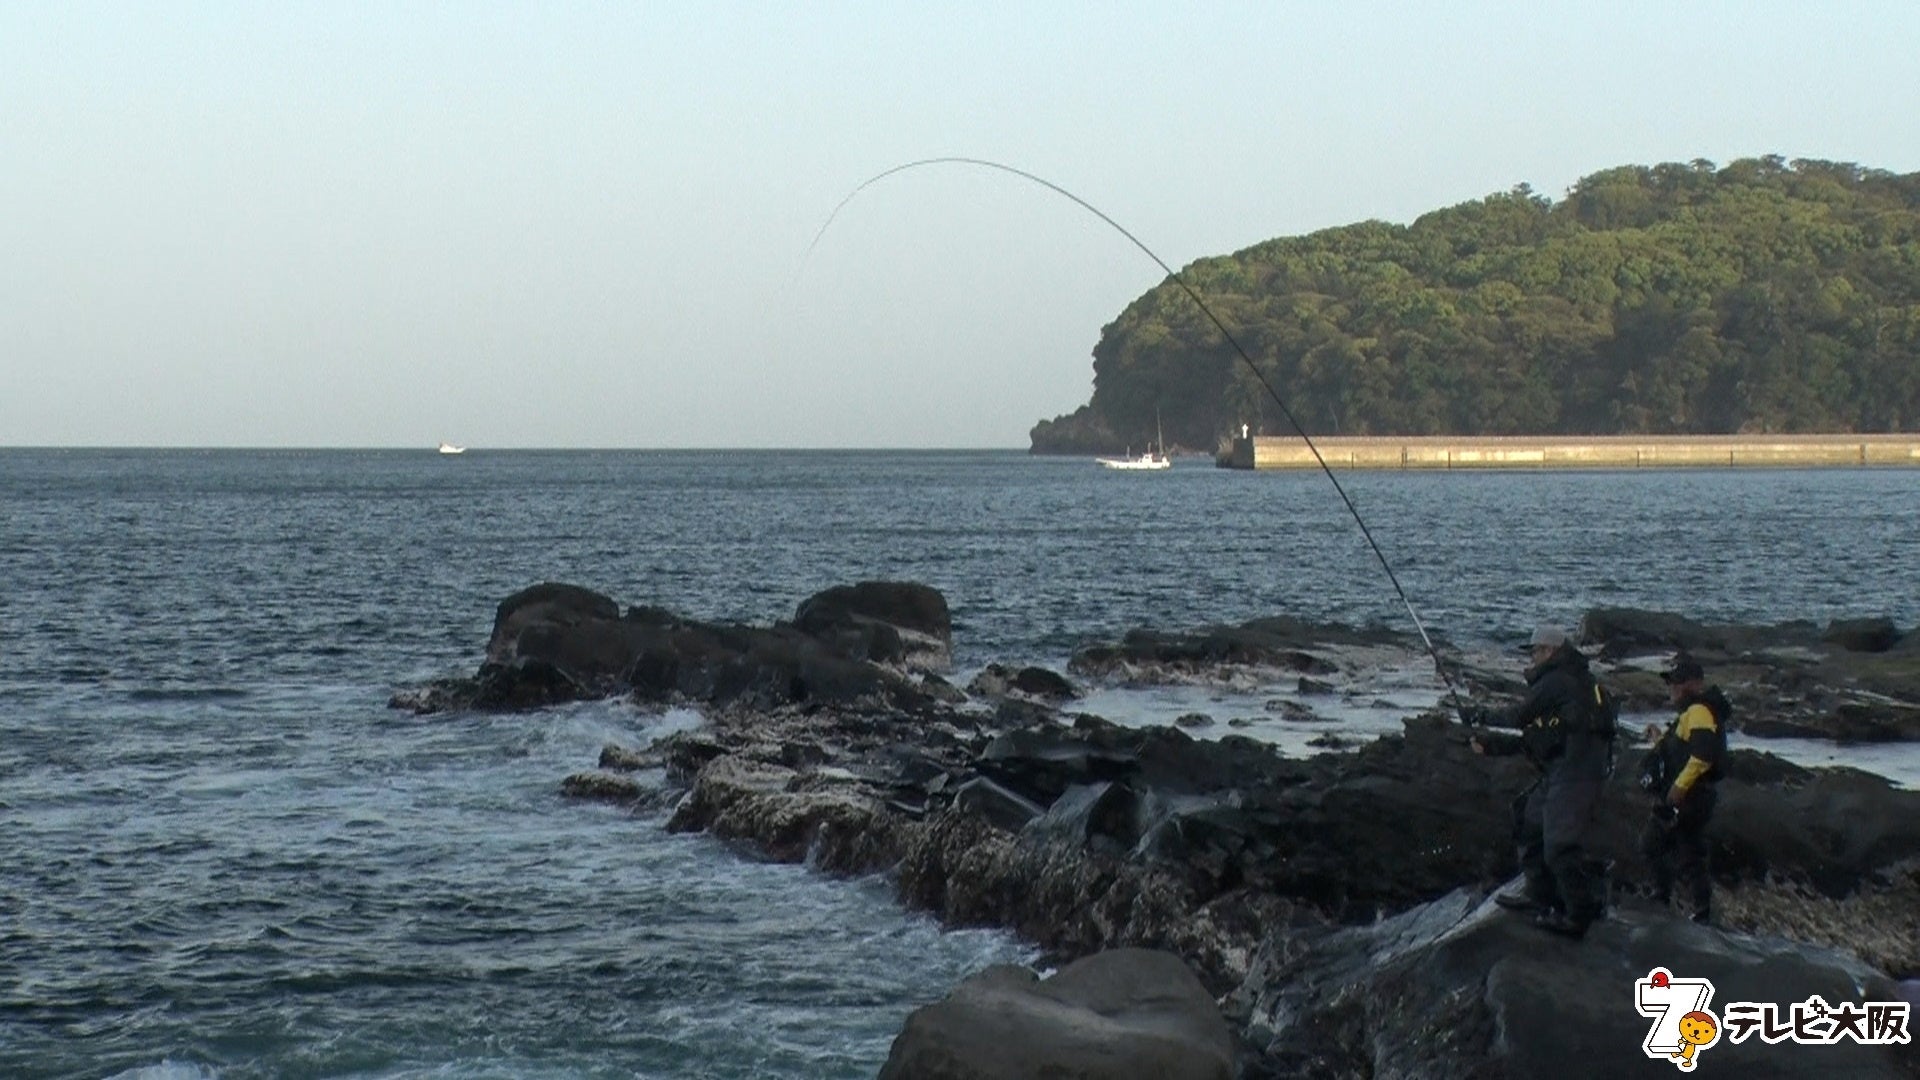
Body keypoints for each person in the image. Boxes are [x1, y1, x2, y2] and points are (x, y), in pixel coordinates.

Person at [1464, 624, 1618, 938]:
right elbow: (1537, 737)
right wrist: (1491, 746)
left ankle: (1578, 916)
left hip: (1576, 775)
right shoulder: (1572, 682)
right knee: (1527, 817)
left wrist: (1478, 716)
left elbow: (1518, 716)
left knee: (1559, 847)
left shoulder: (1557, 680)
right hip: (1564, 771)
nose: (1532, 658)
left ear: (1550, 651)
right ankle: (1539, 894)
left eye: (1535, 651)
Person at [1639, 653, 1729, 924]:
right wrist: (1659, 739)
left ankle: (1663, 898)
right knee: (1688, 850)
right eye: (1671, 682)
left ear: (1695, 684)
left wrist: (1679, 787)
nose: (1673, 688)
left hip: (1690, 796)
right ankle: (1699, 909)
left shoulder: (1699, 711)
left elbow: (1703, 754)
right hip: (1695, 795)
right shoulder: (1693, 713)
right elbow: (1679, 750)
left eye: (1679, 682)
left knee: (1653, 842)